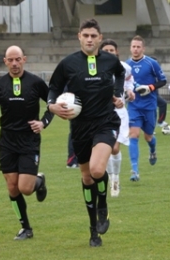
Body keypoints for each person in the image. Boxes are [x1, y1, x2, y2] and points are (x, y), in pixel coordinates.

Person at [47, 18, 126, 247]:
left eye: (94, 36)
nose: (90, 39)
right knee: (86, 177)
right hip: (79, 127)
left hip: (105, 122)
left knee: (97, 169)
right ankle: (93, 230)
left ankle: (103, 205)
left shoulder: (110, 60)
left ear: (100, 38)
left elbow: (120, 74)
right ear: (79, 37)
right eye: (86, 35)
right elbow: (53, 87)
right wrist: (52, 105)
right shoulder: (68, 63)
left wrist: (118, 94)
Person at [0, 45, 53, 240]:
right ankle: (26, 228)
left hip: (29, 141)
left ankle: (39, 181)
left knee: (25, 188)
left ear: (24, 59)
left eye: (17, 59)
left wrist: (43, 122)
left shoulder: (36, 83)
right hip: (7, 142)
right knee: (12, 187)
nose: (14, 63)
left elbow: (51, 104)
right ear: (5, 61)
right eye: (10, 60)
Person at [126, 35, 167, 181]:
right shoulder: (126, 65)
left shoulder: (151, 63)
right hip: (134, 106)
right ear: (130, 48)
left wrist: (150, 87)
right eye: (133, 46)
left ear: (143, 48)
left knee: (148, 136)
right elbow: (123, 83)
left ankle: (152, 150)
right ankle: (134, 170)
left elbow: (163, 81)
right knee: (133, 134)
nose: (135, 49)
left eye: (138, 47)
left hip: (149, 106)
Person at [100, 38, 135, 197]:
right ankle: (109, 177)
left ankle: (115, 179)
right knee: (106, 149)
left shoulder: (124, 67)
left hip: (119, 112)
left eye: (111, 51)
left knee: (114, 148)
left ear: (117, 52)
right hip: (100, 112)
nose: (108, 53)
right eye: (105, 51)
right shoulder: (95, 68)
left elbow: (129, 79)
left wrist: (129, 91)